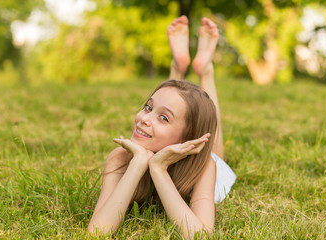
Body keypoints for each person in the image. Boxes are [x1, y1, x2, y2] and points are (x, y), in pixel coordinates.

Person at [87, 16, 236, 238]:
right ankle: (176, 67)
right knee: (173, 99)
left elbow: (200, 236)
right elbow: (97, 233)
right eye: (148, 107)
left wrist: (158, 168)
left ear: (187, 140)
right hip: (169, 146)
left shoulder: (204, 167)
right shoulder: (120, 158)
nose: (144, 119)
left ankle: (206, 71)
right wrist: (139, 162)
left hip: (199, 157)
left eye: (163, 119)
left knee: (214, 149)